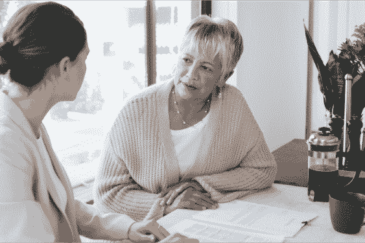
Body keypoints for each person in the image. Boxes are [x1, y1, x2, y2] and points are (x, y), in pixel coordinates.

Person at [0, 2, 197, 242]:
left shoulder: (30, 123)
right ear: (64, 67)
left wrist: (127, 229)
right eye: (84, 59)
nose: (85, 69)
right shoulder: (6, 147)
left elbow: (62, 204)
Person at [93, 15, 278, 222]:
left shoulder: (232, 103)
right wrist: (167, 205)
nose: (191, 74)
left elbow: (263, 169)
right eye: (186, 60)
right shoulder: (135, 111)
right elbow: (105, 195)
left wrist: (202, 184)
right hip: (145, 232)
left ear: (224, 76)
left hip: (207, 225)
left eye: (205, 67)